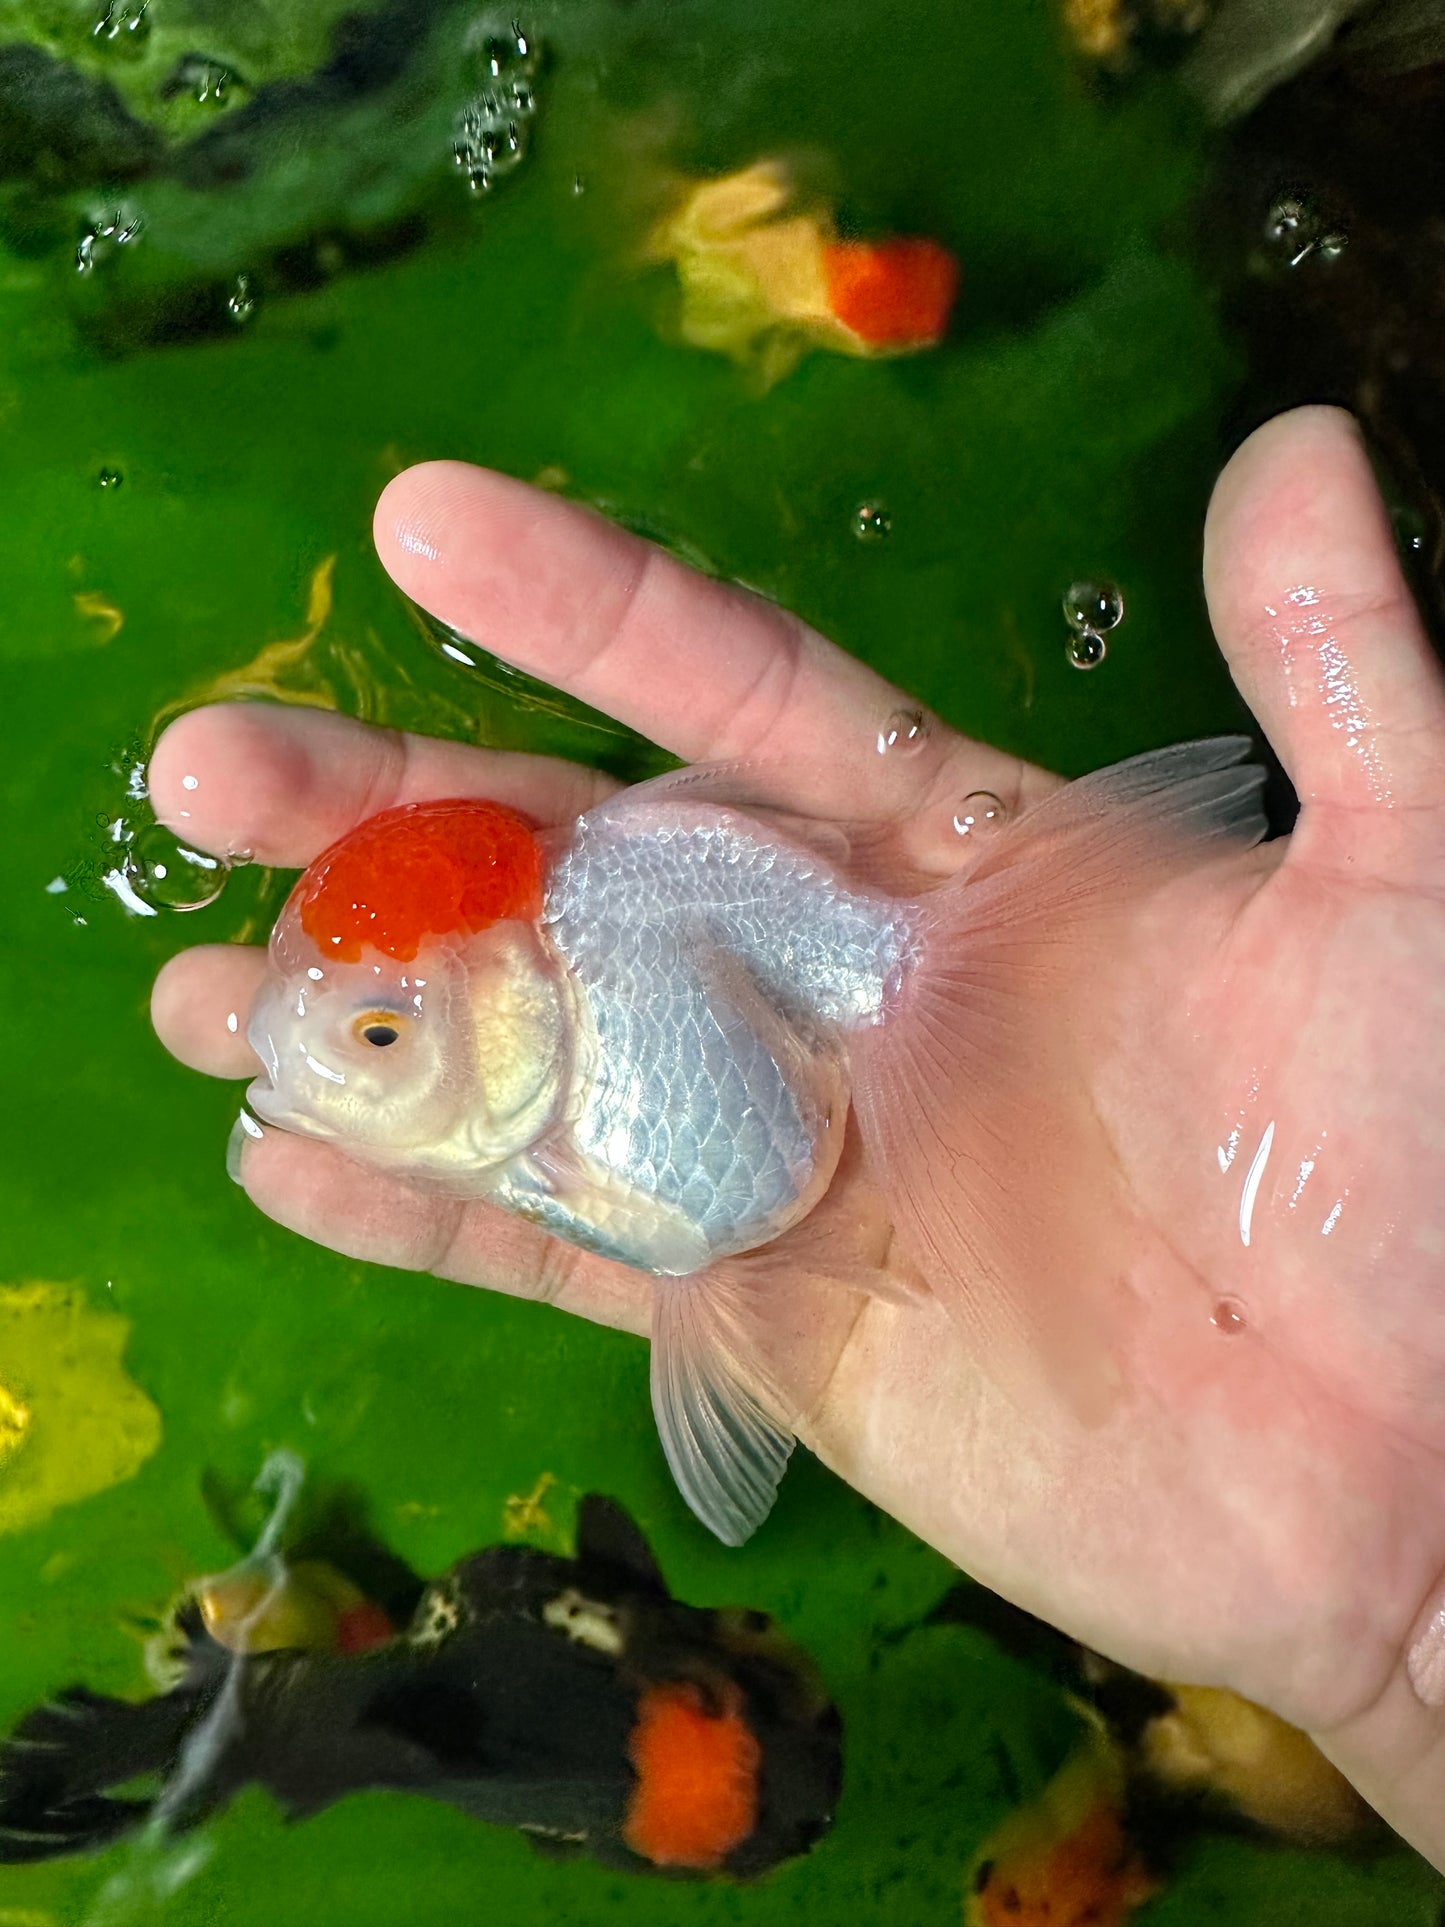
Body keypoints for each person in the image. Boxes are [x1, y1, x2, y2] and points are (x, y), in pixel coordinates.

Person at [148, 405, 1445, 1870]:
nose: (337, 1067)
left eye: (380, 1041)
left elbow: (711, 1216)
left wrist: (1410, 1623)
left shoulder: (624, 985)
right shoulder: (553, 1030)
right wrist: (1402, 1624)